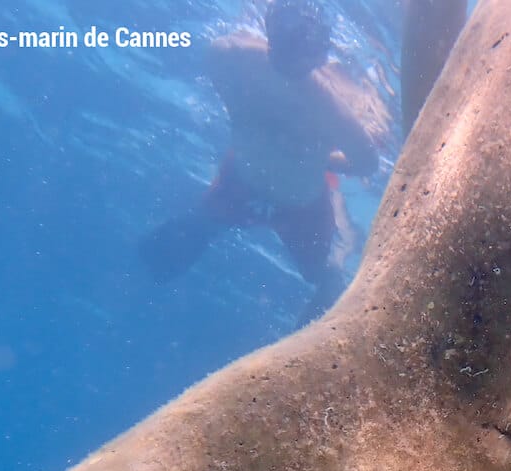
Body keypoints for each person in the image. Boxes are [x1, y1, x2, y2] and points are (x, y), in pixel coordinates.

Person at [139, 0, 386, 324]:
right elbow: (365, 163)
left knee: (320, 272)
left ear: (322, 49)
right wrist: (312, 156)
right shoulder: (328, 107)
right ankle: (330, 279)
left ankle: (331, 279)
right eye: (287, 28)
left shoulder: (237, 59)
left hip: (271, 191)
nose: (293, 42)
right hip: (271, 190)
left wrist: (315, 157)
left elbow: (368, 163)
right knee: (316, 269)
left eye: (302, 34)